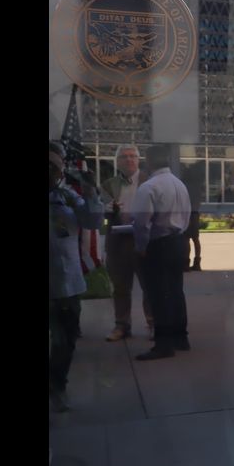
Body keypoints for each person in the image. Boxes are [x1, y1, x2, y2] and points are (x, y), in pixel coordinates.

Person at [49, 142, 105, 412]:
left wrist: (91, 191)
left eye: (54, 165)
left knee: (66, 340)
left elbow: (93, 222)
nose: (50, 170)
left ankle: (57, 386)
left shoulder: (68, 196)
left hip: (67, 283)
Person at [131, 144, 193, 361]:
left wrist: (141, 247)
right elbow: (186, 216)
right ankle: (180, 338)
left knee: (158, 295)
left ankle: (163, 344)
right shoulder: (179, 184)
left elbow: (141, 223)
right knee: (176, 291)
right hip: (179, 241)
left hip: (158, 244)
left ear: (148, 161)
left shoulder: (149, 187)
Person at [101, 144, 153, 341]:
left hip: (144, 241)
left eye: (132, 156)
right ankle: (122, 325)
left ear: (138, 160)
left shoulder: (150, 181)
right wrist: (108, 208)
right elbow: (100, 210)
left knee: (149, 285)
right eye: (124, 156)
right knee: (120, 287)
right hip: (118, 242)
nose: (129, 159)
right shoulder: (108, 184)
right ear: (117, 162)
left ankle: (153, 322)